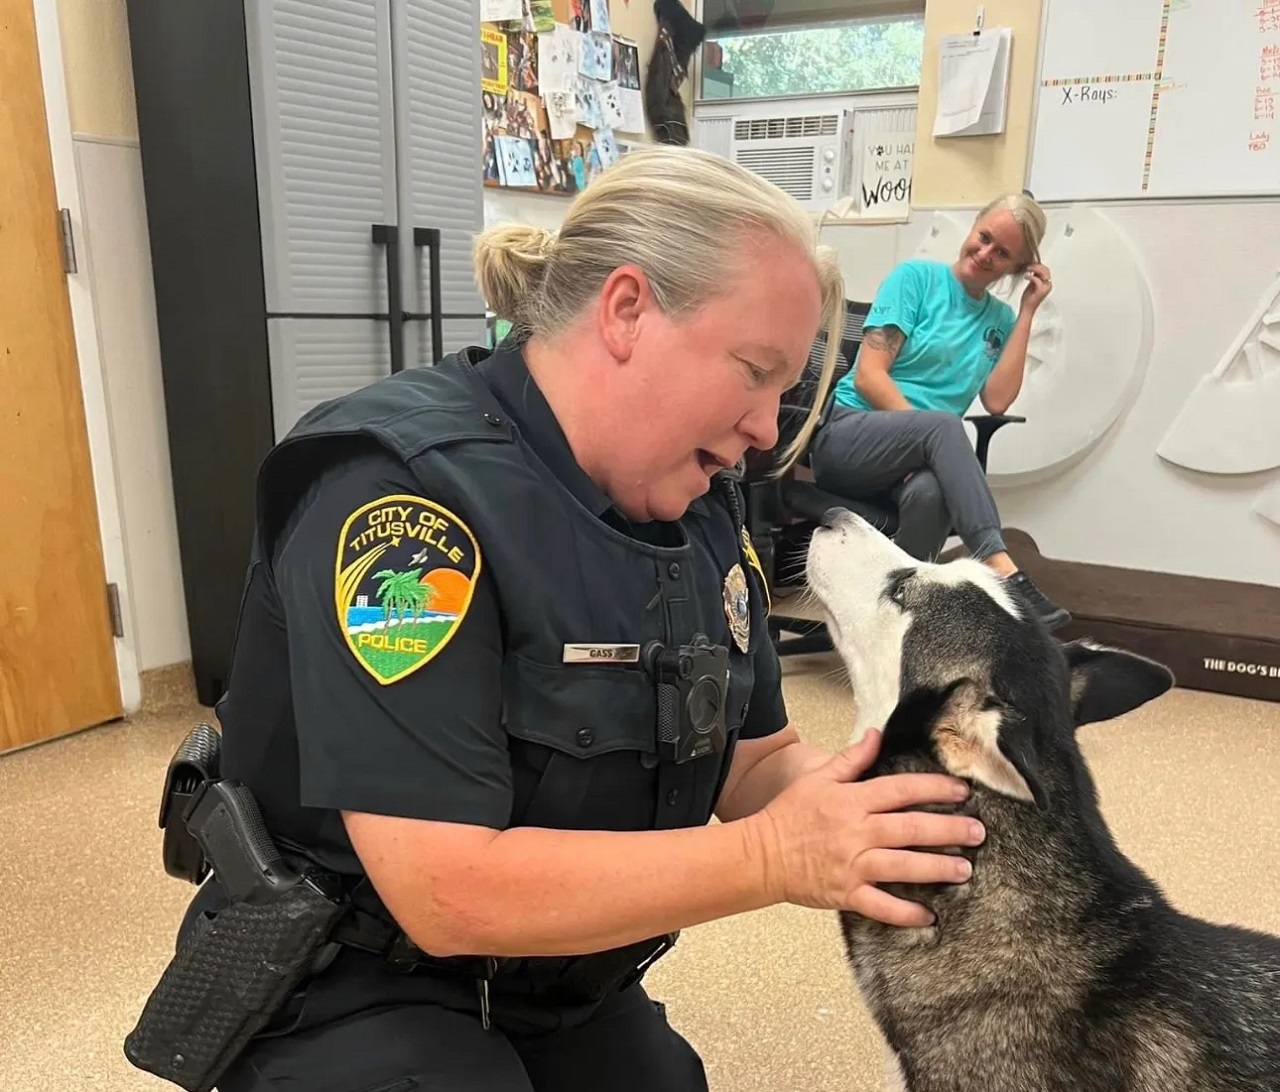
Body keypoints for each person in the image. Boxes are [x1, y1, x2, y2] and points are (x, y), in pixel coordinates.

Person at [129, 146, 985, 1092]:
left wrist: (878, 816)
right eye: (754, 373)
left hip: (557, 972)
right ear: (626, 311)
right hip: (348, 976)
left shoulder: (690, 506)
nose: (766, 431)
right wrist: (777, 855)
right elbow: (445, 889)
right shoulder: (401, 508)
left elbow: (756, 757)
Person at [807, 193, 1071, 630]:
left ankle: (895, 620)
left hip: (915, 458)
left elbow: (997, 401)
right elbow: (870, 377)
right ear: (973, 227)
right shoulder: (915, 279)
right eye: (983, 237)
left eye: (1002, 253)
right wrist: (921, 440)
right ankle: (1000, 566)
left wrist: (1026, 312)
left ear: (1016, 267)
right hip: (849, 437)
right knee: (944, 428)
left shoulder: (1000, 320)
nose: (985, 254)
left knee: (932, 492)